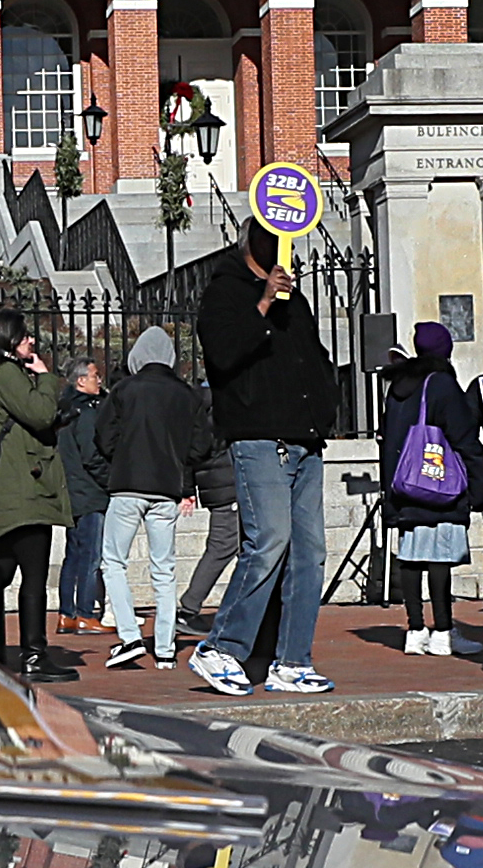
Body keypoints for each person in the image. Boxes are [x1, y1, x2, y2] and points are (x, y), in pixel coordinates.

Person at [191, 225, 337, 697]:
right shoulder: (224, 293)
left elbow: (313, 360)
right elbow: (223, 354)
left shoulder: (297, 302)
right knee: (268, 542)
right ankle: (222, 648)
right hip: (259, 439)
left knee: (310, 553)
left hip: (305, 440)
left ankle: (292, 660)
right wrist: (264, 303)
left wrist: (324, 408)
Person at [100, 324, 215, 675]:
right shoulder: (188, 395)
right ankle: (165, 648)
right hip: (167, 488)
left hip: (127, 484)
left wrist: (121, 457)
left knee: (113, 562)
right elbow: (202, 446)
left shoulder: (124, 389)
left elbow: (104, 436)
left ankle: (130, 635)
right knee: (164, 570)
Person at [375, 318, 483, 653]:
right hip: (439, 484)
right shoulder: (441, 384)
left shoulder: (398, 387)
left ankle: (414, 630)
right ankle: (443, 630)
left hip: (405, 481)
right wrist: (477, 485)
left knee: (411, 558)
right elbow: (463, 437)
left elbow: (390, 439)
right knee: (439, 559)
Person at [0, 314, 71, 676]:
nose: (32, 342)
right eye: (25, 336)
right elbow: (40, 414)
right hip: (22, 490)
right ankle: (34, 654)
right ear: (10, 339)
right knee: (33, 576)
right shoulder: (8, 373)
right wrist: (45, 376)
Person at [54, 352, 114, 642]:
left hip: (72, 491)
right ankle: (86, 613)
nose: (98, 379)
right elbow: (92, 457)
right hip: (90, 492)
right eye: (94, 375)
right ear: (80, 381)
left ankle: (67, 613)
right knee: (90, 556)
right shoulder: (87, 413)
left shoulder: (65, 410)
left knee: (73, 555)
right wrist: (109, 481)